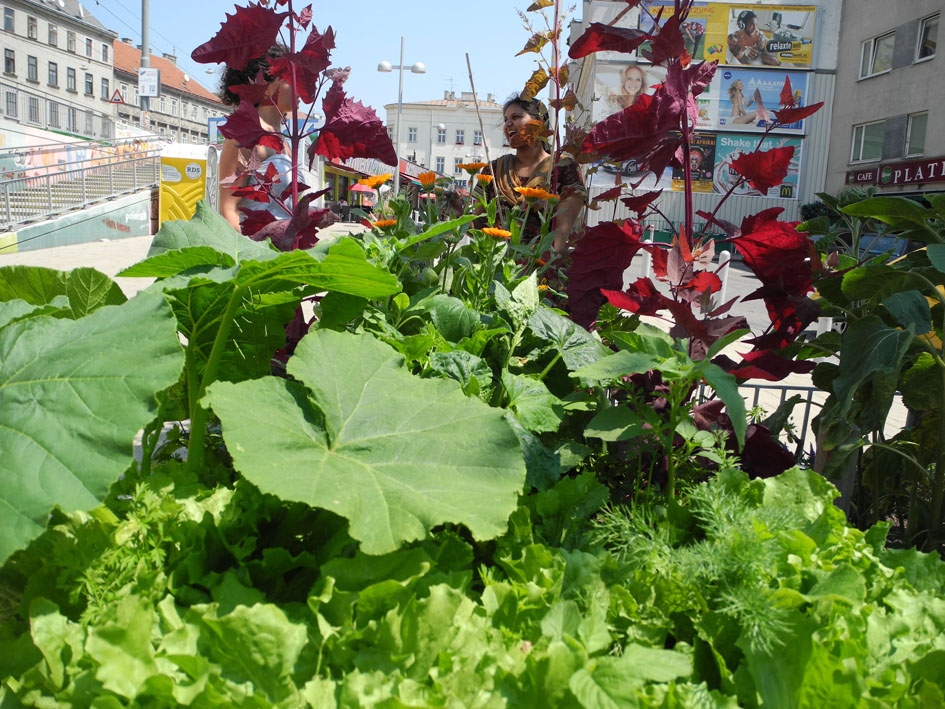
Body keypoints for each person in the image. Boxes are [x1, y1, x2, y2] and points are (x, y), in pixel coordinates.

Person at [476, 96, 585, 252]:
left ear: (539, 122)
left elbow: (561, 233)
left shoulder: (563, 167)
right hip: (497, 269)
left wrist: (537, 267)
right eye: (506, 119)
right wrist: (457, 213)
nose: (507, 124)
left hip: (542, 267)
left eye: (516, 117)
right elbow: (478, 227)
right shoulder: (493, 170)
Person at [217, 46, 294, 231]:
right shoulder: (245, 135)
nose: (299, 86)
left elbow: (283, 209)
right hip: (258, 254)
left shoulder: (284, 139)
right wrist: (253, 254)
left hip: (283, 253)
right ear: (266, 86)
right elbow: (229, 211)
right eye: (290, 79)